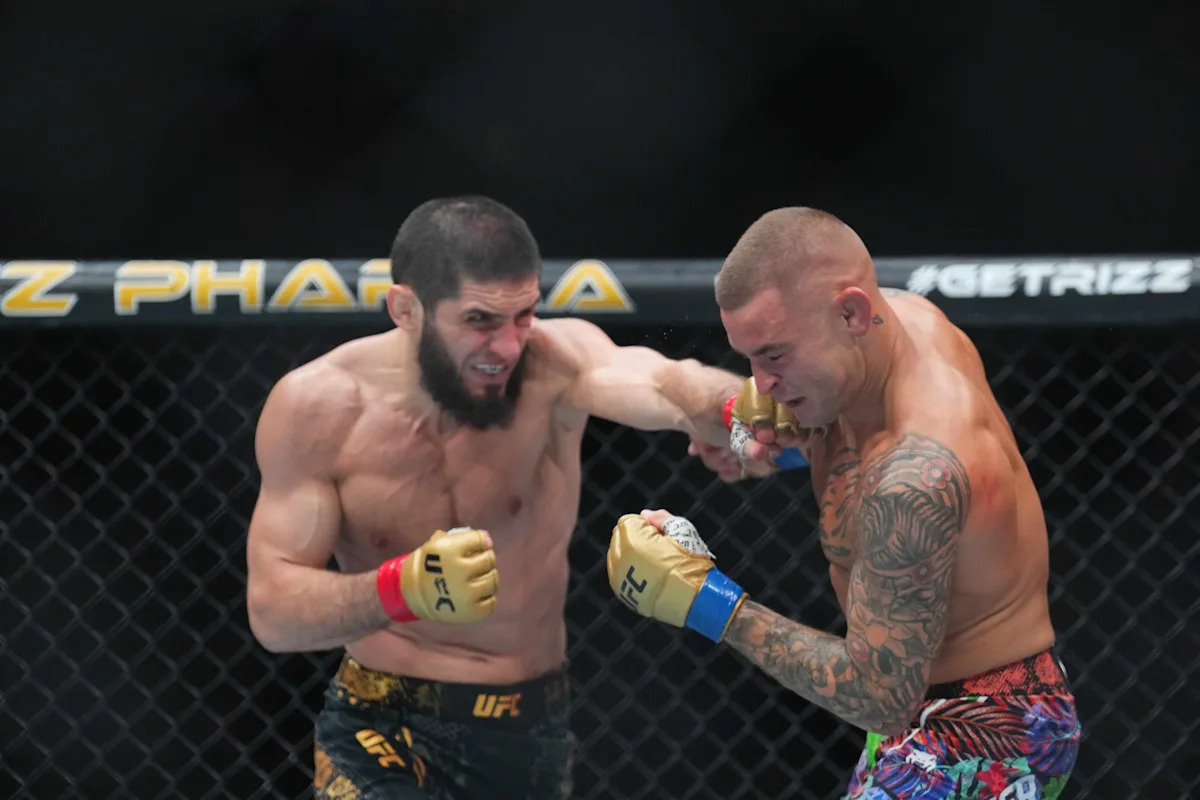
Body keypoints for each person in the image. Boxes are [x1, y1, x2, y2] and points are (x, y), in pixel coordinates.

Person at [244, 195, 764, 799]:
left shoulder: (553, 365)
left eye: (523, 314)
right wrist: (402, 588)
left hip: (532, 726)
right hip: (383, 721)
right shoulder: (318, 408)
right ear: (406, 309)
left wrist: (740, 414)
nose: (509, 346)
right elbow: (273, 613)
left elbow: (666, 384)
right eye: (480, 320)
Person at [605, 207, 1082, 799]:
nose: (762, 381)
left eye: (774, 355)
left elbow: (877, 696)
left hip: (982, 731)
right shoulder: (900, 324)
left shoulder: (913, 479)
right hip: (931, 711)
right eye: (750, 358)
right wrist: (771, 439)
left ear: (852, 314)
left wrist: (703, 598)